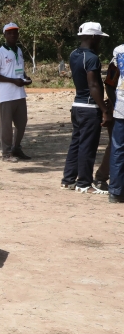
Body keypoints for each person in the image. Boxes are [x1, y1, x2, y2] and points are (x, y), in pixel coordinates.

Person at [61, 22, 109, 193]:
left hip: (77, 106)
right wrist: (104, 110)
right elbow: (93, 85)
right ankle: (84, 184)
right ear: (93, 37)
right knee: (87, 146)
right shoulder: (92, 58)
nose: (100, 42)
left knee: (76, 143)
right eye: (99, 38)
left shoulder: (74, 54)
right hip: (89, 107)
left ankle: (68, 179)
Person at [0, 22, 31, 162]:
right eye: (10, 32)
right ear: (4, 35)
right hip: (6, 95)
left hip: (19, 93)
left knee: (22, 123)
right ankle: (6, 153)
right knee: (6, 125)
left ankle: (16, 148)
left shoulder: (18, 50)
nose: (13, 35)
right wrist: (13, 81)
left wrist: (25, 77)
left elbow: (19, 69)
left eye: (15, 32)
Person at [92, 45, 121, 192]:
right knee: (116, 145)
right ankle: (101, 178)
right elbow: (109, 85)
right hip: (118, 109)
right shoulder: (118, 58)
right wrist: (117, 105)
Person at [108, 44, 124, 203]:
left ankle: (115, 191)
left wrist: (116, 102)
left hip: (121, 109)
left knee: (118, 149)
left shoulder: (119, 51)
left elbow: (110, 81)